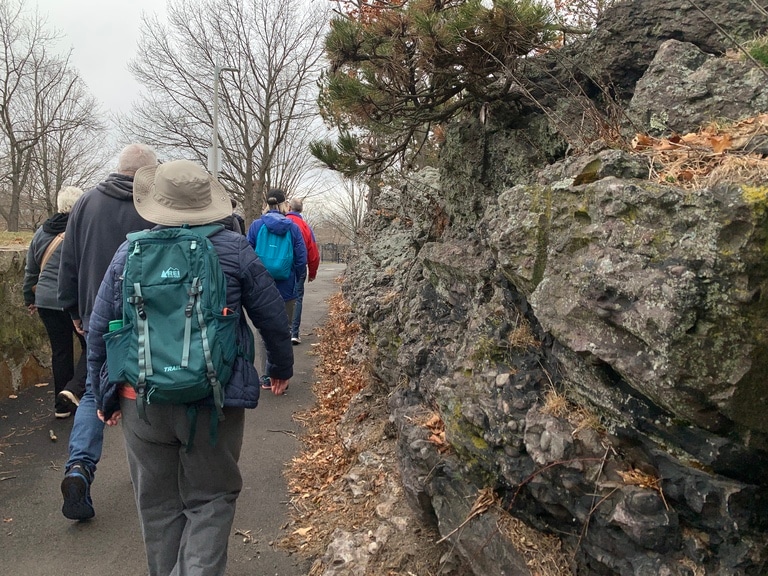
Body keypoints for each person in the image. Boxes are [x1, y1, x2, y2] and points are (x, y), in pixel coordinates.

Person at [90, 159, 293, 576]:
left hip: (142, 400)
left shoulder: (130, 251)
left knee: (159, 507)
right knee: (211, 499)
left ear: (156, 203)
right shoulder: (234, 248)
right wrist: (279, 366)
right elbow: (272, 316)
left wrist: (103, 394)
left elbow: (100, 328)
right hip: (211, 400)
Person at [57, 143, 157, 521]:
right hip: (143, 316)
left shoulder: (85, 202)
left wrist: (74, 310)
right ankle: (148, 468)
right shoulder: (153, 205)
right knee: (143, 386)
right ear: (148, 174)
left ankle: (80, 466)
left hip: (94, 316)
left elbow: (70, 259)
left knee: (92, 390)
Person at [23, 186, 86, 418]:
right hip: (73, 301)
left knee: (61, 351)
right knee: (90, 347)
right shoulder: (80, 231)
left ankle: (62, 406)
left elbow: (31, 270)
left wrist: (29, 298)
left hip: (46, 300)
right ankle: (78, 392)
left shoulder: (41, 232)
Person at [246, 189, 306, 388]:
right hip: (287, 286)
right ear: (284, 205)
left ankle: (265, 376)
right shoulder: (293, 227)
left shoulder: (256, 226)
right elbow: (301, 258)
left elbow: (247, 255)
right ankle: (281, 376)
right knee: (284, 330)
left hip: (261, 287)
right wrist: (296, 279)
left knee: (263, 331)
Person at [286, 196, 320, 345]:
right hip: (299, 267)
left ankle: (281, 331)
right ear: (301, 209)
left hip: (280, 267)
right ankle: (294, 332)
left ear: (289, 208)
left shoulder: (282, 222)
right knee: (297, 298)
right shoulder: (305, 226)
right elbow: (313, 253)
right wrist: (312, 273)